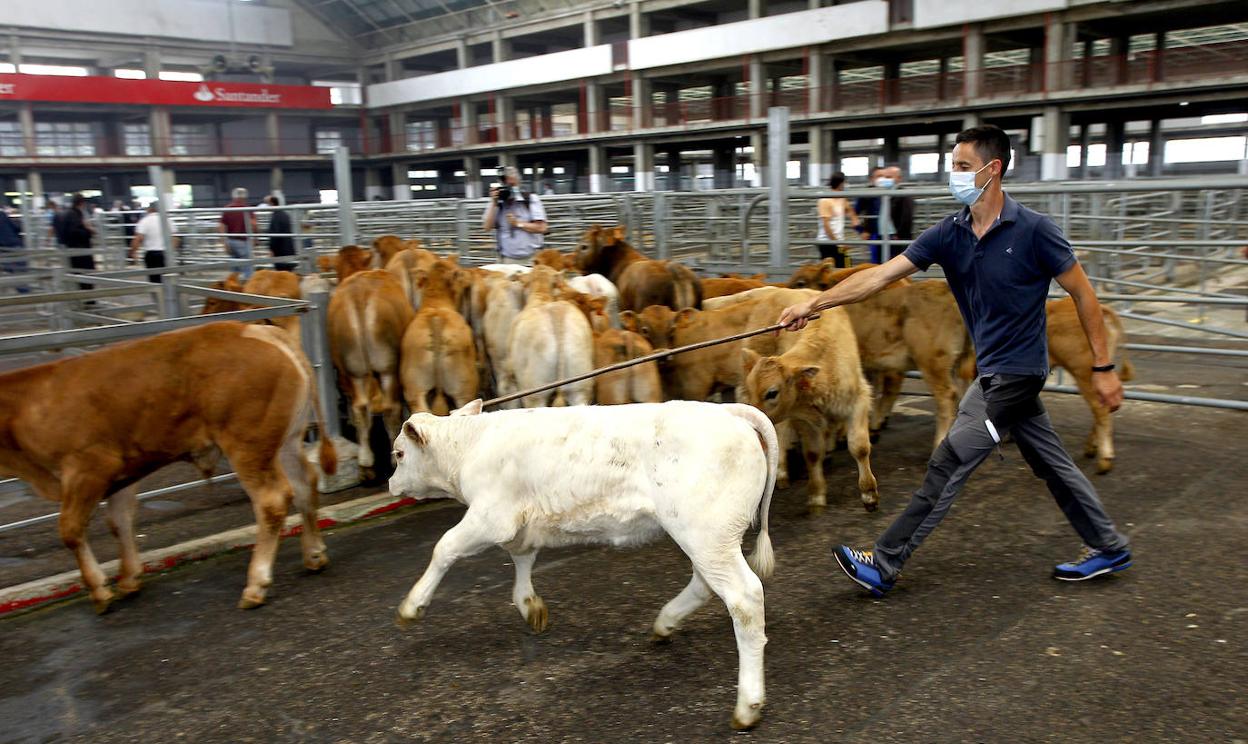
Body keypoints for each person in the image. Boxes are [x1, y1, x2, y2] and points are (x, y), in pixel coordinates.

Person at [778, 124, 1132, 596]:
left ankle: (884, 562)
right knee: (1053, 464)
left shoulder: (1035, 231)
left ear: (993, 169)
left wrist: (1104, 367)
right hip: (995, 372)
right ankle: (1108, 544)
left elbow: (1085, 298)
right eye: (954, 167)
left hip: (1014, 375)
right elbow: (881, 276)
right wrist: (814, 304)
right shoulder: (951, 233)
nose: (955, 176)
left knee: (948, 464)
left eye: (963, 167)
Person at [482, 166, 547, 266]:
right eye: (504, 182)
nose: (507, 185)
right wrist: (493, 203)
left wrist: (518, 223)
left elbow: (542, 228)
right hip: (506, 260)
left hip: (531, 259)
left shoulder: (530, 199)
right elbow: (486, 227)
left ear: (517, 182)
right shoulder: (498, 203)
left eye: (511, 183)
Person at [814, 172, 861, 268]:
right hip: (827, 242)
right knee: (831, 271)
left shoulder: (841, 199)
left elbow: (850, 210)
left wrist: (854, 220)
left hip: (837, 241)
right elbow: (826, 225)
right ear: (841, 183)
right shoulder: (825, 200)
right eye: (844, 183)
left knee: (843, 267)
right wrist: (837, 243)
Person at [218, 187, 257, 279]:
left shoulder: (227, 209)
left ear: (234, 197)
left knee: (234, 267)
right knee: (248, 266)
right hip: (243, 241)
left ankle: (234, 286)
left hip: (231, 241)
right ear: (245, 197)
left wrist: (224, 242)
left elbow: (221, 226)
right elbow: (254, 224)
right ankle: (247, 286)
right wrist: (255, 237)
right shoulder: (247, 209)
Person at [60, 193, 97, 291]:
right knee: (85, 275)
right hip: (81, 250)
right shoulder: (75, 214)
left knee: (78, 275)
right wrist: (88, 230)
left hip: (72, 250)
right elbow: (75, 232)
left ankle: (84, 298)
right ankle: (89, 299)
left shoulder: (68, 213)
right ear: (82, 203)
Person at [129, 204, 168, 284]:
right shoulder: (167, 220)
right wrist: (171, 250)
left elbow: (138, 238)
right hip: (166, 252)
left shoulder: (145, 221)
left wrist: (133, 252)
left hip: (151, 254)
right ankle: (169, 295)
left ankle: (157, 295)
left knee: (154, 279)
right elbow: (175, 238)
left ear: (149, 209)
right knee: (167, 277)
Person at [883, 165, 915, 259]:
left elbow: (907, 217)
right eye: (885, 177)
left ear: (899, 178)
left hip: (899, 237)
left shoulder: (904, 195)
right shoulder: (888, 193)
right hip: (889, 236)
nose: (885, 179)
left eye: (889, 177)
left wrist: (898, 234)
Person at [264, 195, 298, 272]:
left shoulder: (275, 216)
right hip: (288, 248)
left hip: (280, 251)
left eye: (268, 204)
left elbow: (275, 234)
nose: (267, 206)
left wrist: (271, 249)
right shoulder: (285, 214)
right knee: (288, 272)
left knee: (281, 272)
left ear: (272, 203)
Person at [0, 206, 28, 294]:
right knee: (22, 272)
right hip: (16, 244)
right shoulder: (2, 214)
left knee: (11, 271)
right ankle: (26, 294)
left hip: (4, 249)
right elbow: (17, 228)